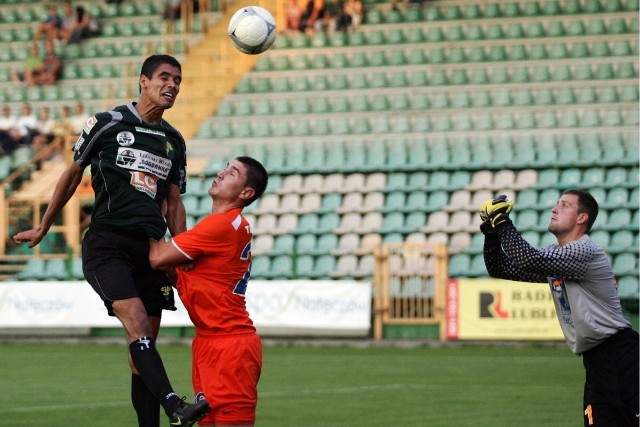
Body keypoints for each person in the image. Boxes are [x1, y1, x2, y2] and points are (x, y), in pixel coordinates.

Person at [13, 54, 210, 427]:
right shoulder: (107, 124)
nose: (172, 86)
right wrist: (43, 226)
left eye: (178, 81)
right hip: (107, 243)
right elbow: (72, 175)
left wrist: (180, 250)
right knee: (135, 322)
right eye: (165, 78)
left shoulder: (173, 141)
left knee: (142, 351)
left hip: (150, 252)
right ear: (143, 81)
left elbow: (173, 202)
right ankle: (175, 407)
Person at [478, 190, 639, 427]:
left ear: (582, 218)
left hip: (625, 358)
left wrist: (502, 220)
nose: (555, 209)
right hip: (596, 364)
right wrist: (491, 231)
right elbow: (499, 268)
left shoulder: (585, 250)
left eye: (564, 205)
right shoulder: (556, 256)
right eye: (556, 204)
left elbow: (527, 260)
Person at [149, 156, 268, 427]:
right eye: (226, 166)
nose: (222, 172)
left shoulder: (220, 225)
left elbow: (157, 258)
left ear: (246, 193)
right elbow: (175, 270)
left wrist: (142, 213)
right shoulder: (226, 225)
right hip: (209, 340)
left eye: (233, 172)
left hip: (229, 346)